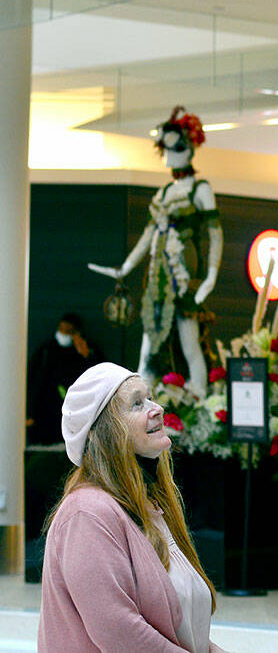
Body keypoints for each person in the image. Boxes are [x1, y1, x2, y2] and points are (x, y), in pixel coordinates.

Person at [38, 362, 227, 652]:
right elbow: (120, 633)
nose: (157, 408)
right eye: (137, 404)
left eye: (149, 397)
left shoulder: (148, 505)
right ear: (102, 432)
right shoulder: (87, 514)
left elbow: (183, 634)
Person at [89, 107, 223, 394]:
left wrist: (211, 276)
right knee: (148, 344)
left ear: (188, 147)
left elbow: (215, 233)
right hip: (158, 276)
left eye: (176, 146)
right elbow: (149, 235)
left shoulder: (200, 189)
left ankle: (198, 396)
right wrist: (125, 267)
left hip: (184, 276)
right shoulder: (163, 193)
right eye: (165, 147)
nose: (169, 154)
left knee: (189, 342)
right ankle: (140, 402)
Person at [26, 312, 101, 445]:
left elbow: (98, 379)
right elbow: (33, 383)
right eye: (61, 330)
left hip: (74, 418)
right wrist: (30, 413)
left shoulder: (87, 352)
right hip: (46, 418)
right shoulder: (46, 351)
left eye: (69, 331)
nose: (63, 334)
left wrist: (86, 356)